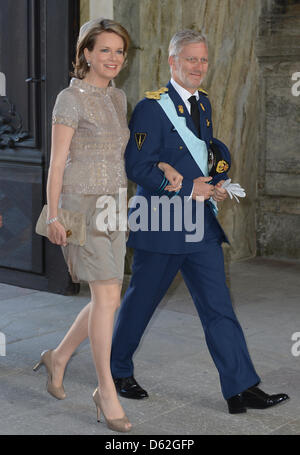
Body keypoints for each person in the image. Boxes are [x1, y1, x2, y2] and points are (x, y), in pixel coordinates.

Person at [110, 29, 289, 414]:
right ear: (172, 62)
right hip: (161, 223)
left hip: (199, 225)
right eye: (190, 59)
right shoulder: (149, 108)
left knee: (219, 306)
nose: (198, 66)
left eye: (203, 60)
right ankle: (117, 370)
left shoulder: (203, 104)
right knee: (141, 302)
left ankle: (241, 387)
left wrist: (216, 183)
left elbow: (203, 156)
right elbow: (137, 166)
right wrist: (190, 189)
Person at [33, 18, 132, 432]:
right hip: (79, 205)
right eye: (105, 49)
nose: (113, 58)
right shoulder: (68, 99)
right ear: (86, 53)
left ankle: (58, 357)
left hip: (116, 203)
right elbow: (56, 164)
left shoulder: (119, 99)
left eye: (120, 51)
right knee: (107, 292)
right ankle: (105, 389)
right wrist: (53, 215)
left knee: (106, 296)